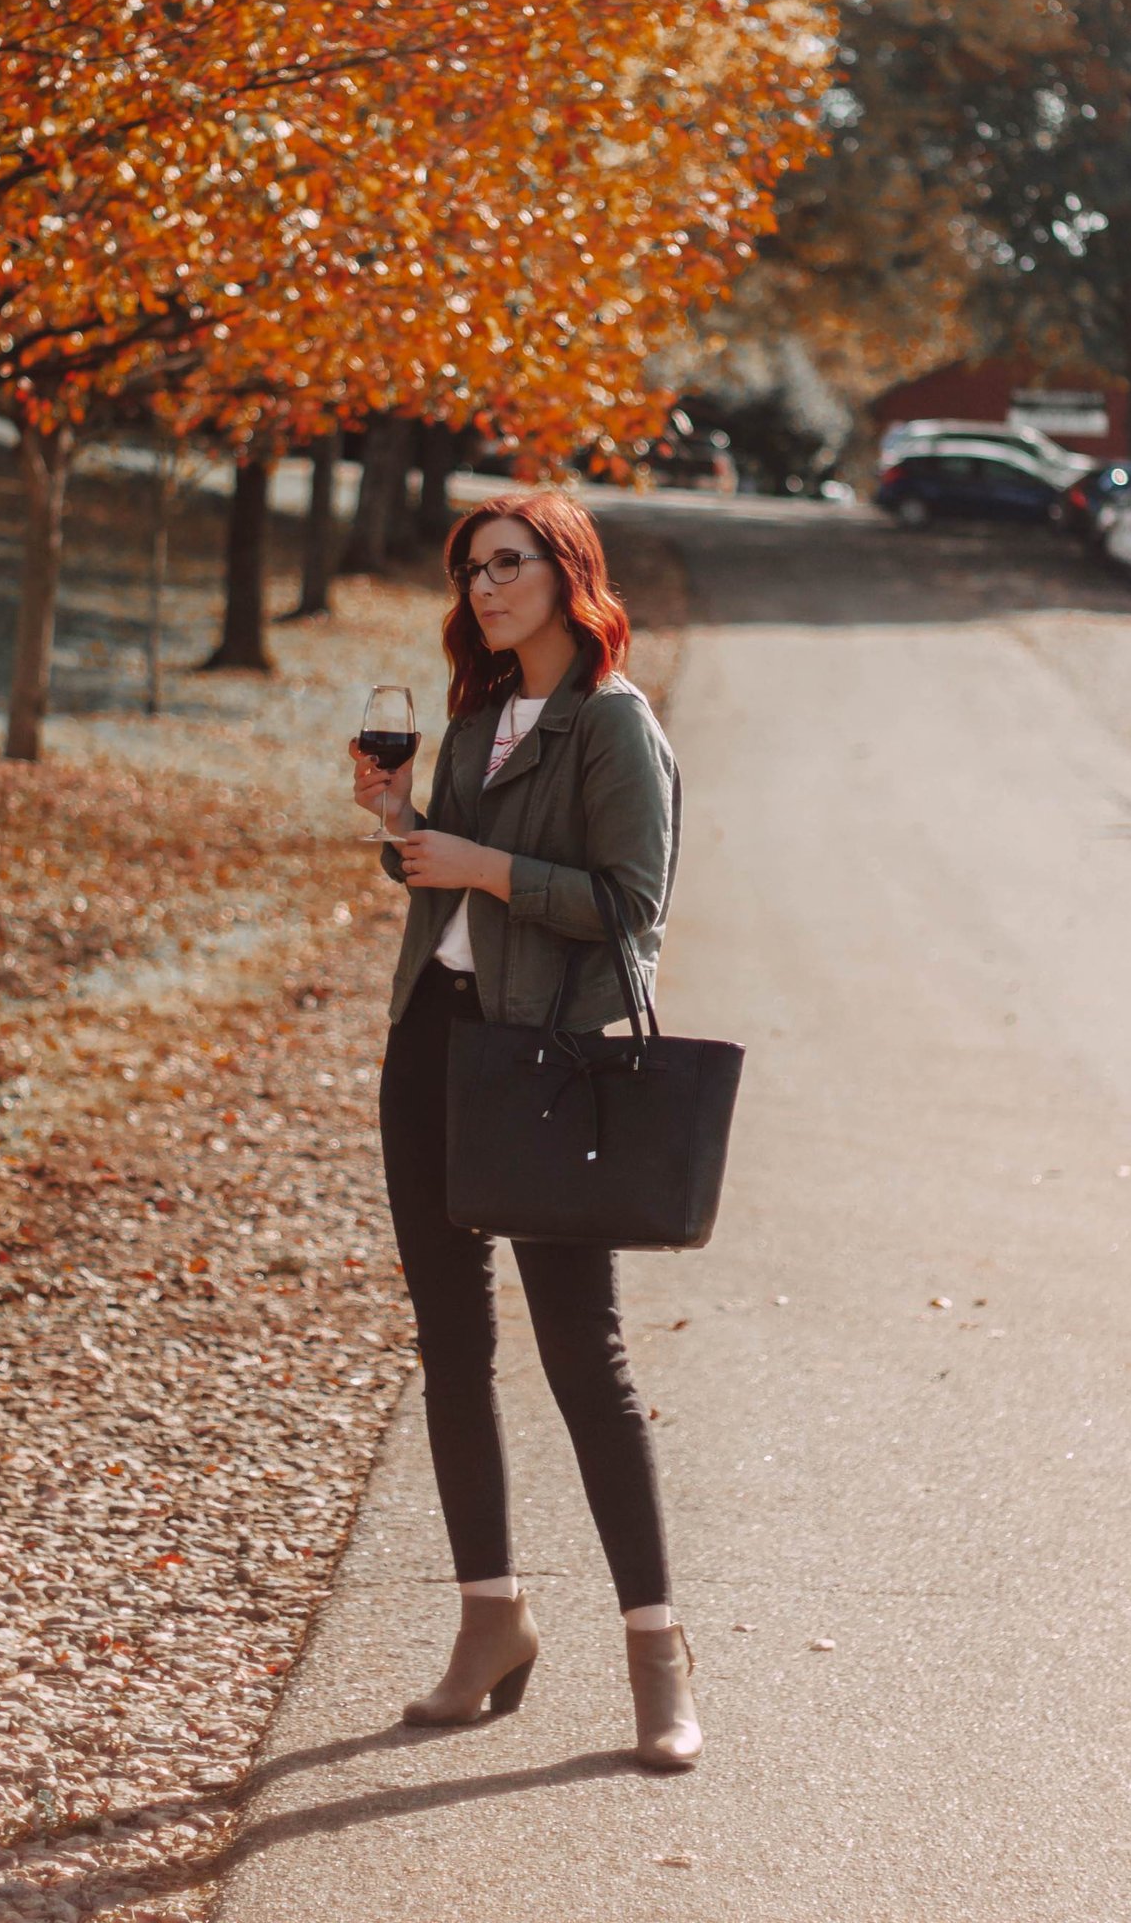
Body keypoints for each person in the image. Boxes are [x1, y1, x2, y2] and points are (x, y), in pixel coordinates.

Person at [349, 488, 699, 1770]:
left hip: (548, 1056)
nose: (486, 586)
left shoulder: (613, 722)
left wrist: (482, 866)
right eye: (470, 568)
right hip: (432, 1045)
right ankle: (487, 1622)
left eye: (509, 563)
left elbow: (632, 906)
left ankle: (656, 1655)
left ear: (567, 571)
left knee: (581, 1358)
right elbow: (445, 884)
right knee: (452, 1349)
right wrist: (400, 827)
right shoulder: (477, 716)